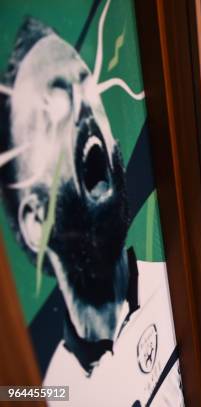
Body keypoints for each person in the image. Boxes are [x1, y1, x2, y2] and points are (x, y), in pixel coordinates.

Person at [0, 18, 182, 406]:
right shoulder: (49, 389)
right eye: (54, 110)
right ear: (35, 222)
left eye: (85, 89)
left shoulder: (174, 290)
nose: (82, 108)